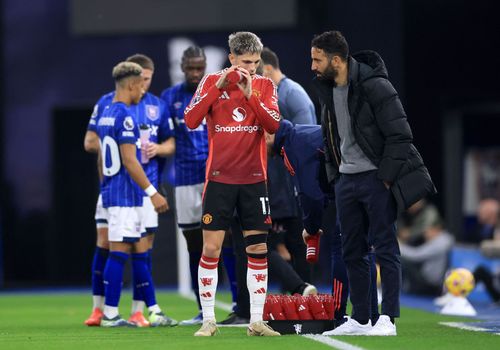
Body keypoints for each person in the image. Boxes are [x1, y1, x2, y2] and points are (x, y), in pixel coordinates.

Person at [310, 30, 436, 336]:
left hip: (376, 180)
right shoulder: (326, 89)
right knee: (352, 251)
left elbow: (400, 135)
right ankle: (362, 317)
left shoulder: (375, 85)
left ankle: (388, 318)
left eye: (317, 59)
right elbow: (330, 138)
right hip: (346, 182)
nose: (312, 66)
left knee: (385, 248)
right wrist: (335, 176)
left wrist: (385, 179)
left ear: (336, 60)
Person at [184, 31, 280, 337]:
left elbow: (273, 125)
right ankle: (208, 320)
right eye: (245, 62)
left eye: (255, 62)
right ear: (231, 59)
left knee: (258, 248)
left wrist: (250, 93)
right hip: (219, 180)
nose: (251, 68)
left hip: (254, 180)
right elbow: (191, 119)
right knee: (211, 249)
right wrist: (219, 89)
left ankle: (256, 320)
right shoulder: (212, 82)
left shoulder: (264, 85)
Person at [84, 54, 175, 327]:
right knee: (119, 251)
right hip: (127, 194)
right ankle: (110, 313)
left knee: (132, 249)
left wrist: (105, 184)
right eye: (140, 86)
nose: (142, 91)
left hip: (115, 191)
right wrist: (153, 192)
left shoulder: (107, 111)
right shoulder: (124, 116)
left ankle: (141, 310)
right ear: (132, 85)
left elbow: (101, 157)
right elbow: (130, 160)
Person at [260, 47, 316, 284]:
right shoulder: (275, 93)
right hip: (280, 181)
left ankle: (304, 294)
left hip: (292, 182)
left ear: (269, 69)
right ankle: (296, 295)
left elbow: (307, 137)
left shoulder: (292, 93)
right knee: (284, 242)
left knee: (295, 241)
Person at [400, 219, 454, 296]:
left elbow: (415, 255)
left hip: (431, 284)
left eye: (427, 230)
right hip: (432, 280)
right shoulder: (444, 239)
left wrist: (397, 246)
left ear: (435, 229)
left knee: (401, 261)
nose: (424, 233)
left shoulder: (440, 243)